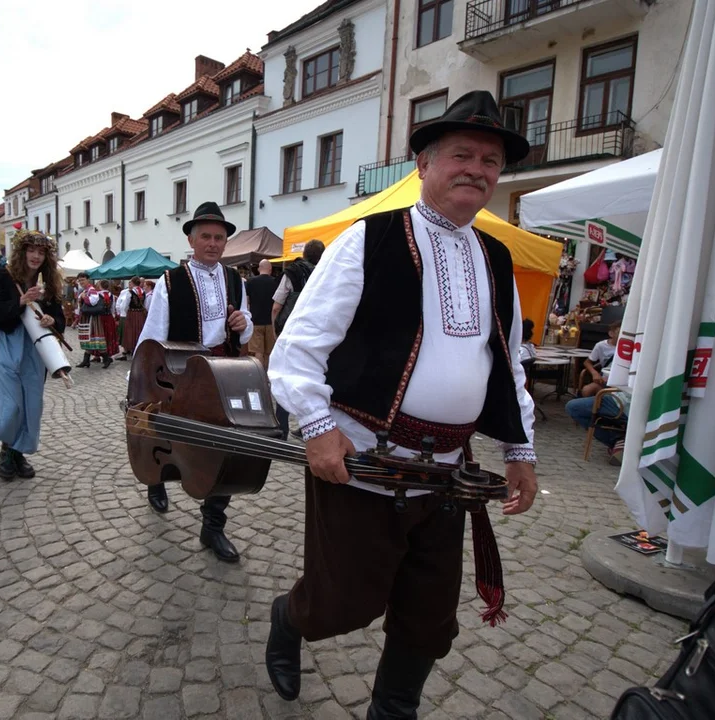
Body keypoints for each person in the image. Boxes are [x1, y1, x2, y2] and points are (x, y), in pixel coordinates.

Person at [263, 91, 539, 716]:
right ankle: (288, 618)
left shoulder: (497, 259)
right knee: (341, 604)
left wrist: (518, 448)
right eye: (462, 155)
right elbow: (297, 347)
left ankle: (394, 711)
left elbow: (508, 361)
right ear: (423, 164)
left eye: (491, 160)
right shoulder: (371, 239)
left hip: (448, 474)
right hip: (362, 462)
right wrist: (315, 426)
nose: (477, 169)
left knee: (428, 616)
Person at [135, 201, 253, 563]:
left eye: (219, 237)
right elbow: (153, 334)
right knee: (166, 433)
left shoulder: (236, 280)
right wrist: (140, 379)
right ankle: (156, 479)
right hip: (181, 374)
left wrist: (241, 324)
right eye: (206, 236)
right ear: (191, 239)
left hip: (224, 373)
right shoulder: (170, 282)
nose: (214, 243)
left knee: (230, 445)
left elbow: (246, 324)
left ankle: (213, 526)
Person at [0, 230, 65, 480]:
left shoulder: (48, 282)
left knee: (32, 404)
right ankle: (6, 450)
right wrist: (21, 301)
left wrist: (53, 319)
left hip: (36, 349)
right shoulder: (2, 276)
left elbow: (59, 319)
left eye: (41, 252)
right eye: (31, 250)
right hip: (8, 344)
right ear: (22, 252)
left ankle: (18, 453)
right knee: (11, 405)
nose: (36, 256)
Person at [271, 240, 325, 438]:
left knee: (284, 378)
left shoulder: (292, 272)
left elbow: (277, 306)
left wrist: (276, 331)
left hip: (290, 332)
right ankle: (309, 426)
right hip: (315, 333)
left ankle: (282, 427)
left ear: (304, 253)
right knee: (311, 380)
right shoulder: (324, 273)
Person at [74, 274, 115, 369]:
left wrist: (85, 298)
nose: (81, 282)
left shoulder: (91, 290)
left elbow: (93, 301)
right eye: (79, 280)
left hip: (92, 318)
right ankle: (86, 360)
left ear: (88, 280)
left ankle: (106, 358)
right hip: (86, 317)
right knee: (88, 338)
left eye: (83, 280)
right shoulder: (86, 291)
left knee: (95, 338)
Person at [245, 259, 278, 369]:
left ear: (259, 268)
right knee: (269, 351)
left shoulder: (250, 282)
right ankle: (267, 375)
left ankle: (259, 375)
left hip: (255, 321)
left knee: (258, 351)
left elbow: (246, 301)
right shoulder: (276, 282)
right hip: (271, 322)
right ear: (270, 269)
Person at [580, 321, 620, 397]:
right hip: (604, 379)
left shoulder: (630, 347)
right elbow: (587, 362)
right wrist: (594, 373)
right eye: (619, 333)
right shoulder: (601, 345)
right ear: (611, 333)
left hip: (620, 382)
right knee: (587, 390)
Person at [121, 276, 147, 359]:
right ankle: (136, 348)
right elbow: (145, 304)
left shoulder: (130, 292)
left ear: (133, 283)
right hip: (140, 314)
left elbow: (125, 305)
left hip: (132, 313)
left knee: (130, 330)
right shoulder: (143, 292)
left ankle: (128, 349)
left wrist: (125, 312)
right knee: (138, 330)